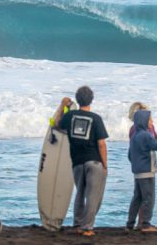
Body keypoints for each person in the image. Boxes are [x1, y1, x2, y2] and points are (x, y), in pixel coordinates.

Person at [57, 86, 108, 237]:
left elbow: (55, 124)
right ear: (91, 99)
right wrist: (105, 164)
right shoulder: (96, 118)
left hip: (77, 162)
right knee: (93, 195)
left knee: (80, 193)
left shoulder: (70, 116)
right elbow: (101, 144)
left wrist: (62, 106)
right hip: (94, 162)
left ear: (77, 99)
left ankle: (78, 224)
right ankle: (87, 227)